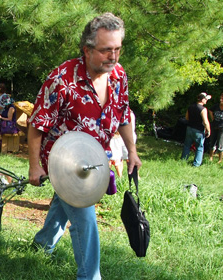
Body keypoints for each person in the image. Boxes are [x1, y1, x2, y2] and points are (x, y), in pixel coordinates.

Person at [28, 13, 142, 280]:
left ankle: (42, 244)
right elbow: (37, 124)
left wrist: (132, 151)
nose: (112, 57)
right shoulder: (62, 79)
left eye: (117, 49)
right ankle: (90, 276)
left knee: (63, 204)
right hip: (61, 161)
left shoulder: (119, 75)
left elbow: (123, 115)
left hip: (93, 159)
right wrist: (35, 166)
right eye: (105, 51)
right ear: (87, 50)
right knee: (85, 220)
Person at [181, 92, 211, 167]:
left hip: (189, 128)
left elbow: (187, 118)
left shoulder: (190, 107)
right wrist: (208, 130)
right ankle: (196, 164)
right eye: (206, 99)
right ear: (202, 99)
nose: (206, 100)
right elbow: (205, 121)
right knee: (199, 147)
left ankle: (183, 160)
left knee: (187, 145)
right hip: (198, 130)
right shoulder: (203, 109)